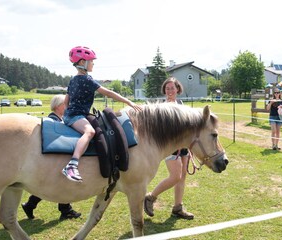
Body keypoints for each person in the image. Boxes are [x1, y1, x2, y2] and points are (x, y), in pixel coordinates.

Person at [62, 46, 142, 182]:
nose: (93, 63)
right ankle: (72, 165)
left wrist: (68, 114)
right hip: (76, 116)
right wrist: (128, 101)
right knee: (90, 132)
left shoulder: (73, 80)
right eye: (91, 61)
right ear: (82, 63)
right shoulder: (87, 80)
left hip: (70, 114)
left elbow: (66, 101)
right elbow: (109, 93)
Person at [21, 95, 82, 220]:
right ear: (59, 106)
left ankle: (30, 205)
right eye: (66, 104)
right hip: (52, 158)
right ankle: (65, 211)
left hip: (54, 158)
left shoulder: (58, 119)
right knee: (60, 183)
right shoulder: (53, 121)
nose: (68, 107)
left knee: (51, 184)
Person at [144, 77, 194, 220]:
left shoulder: (181, 104)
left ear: (178, 89)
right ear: (164, 91)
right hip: (170, 147)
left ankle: (177, 208)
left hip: (183, 146)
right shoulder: (163, 107)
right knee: (175, 176)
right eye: (167, 88)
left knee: (182, 177)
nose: (170, 91)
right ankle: (150, 197)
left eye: (172, 88)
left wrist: (188, 147)